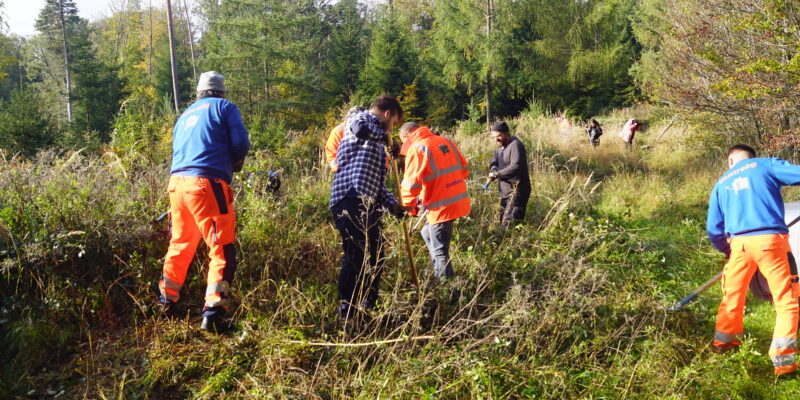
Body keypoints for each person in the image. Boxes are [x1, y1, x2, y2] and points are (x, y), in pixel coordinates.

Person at [158, 71, 250, 332]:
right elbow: (240, 143)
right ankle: (214, 313)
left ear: (199, 93)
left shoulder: (185, 115)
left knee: (180, 244)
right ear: (221, 92)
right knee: (221, 247)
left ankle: (166, 302)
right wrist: (236, 162)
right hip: (207, 185)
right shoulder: (225, 107)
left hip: (177, 185)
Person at [706, 144, 800, 376]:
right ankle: (784, 363)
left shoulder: (721, 182)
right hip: (771, 241)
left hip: (738, 245)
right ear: (751, 157)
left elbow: (714, 228)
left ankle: (724, 346)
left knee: (732, 297)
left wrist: (728, 252)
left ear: (730, 161)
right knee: (786, 300)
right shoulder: (765, 164)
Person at [330, 95, 406, 321]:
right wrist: (386, 139)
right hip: (349, 198)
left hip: (368, 201)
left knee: (377, 253)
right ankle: (347, 309)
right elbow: (358, 127)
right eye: (394, 122)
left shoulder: (377, 144)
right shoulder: (362, 120)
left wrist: (394, 206)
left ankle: (368, 303)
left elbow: (378, 186)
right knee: (355, 254)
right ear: (387, 113)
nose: (392, 129)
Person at [398, 122, 470, 282]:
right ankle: (440, 273)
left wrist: (409, 209)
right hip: (457, 201)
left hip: (441, 207)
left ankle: (448, 291)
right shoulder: (445, 141)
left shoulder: (417, 148)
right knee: (426, 233)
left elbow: (410, 184)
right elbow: (464, 169)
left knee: (439, 251)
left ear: (405, 136)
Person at [489, 121, 531, 229]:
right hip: (505, 192)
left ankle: (518, 244)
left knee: (511, 225)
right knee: (502, 223)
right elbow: (494, 162)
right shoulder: (500, 147)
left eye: (498, 136)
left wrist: (497, 174)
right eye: (494, 137)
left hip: (517, 192)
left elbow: (515, 167)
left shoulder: (516, 145)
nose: (496, 139)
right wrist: (493, 169)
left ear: (507, 133)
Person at [325, 106, 366, 172]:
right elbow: (332, 155)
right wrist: (340, 170)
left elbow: (383, 154)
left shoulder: (371, 131)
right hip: (343, 172)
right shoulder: (337, 132)